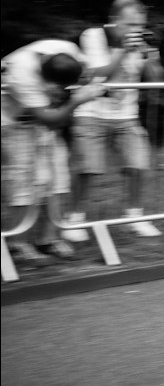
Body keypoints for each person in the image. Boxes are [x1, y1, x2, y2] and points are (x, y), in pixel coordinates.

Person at [63, 0, 164, 242]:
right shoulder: (94, 36)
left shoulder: (141, 41)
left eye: (140, 25)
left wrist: (151, 57)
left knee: (138, 165)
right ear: (113, 21)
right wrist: (121, 49)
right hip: (91, 111)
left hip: (126, 115)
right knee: (87, 169)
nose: (136, 30)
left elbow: (157, 80)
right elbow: (99, 73)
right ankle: (74, 218)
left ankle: (134, 217)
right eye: (130, 24)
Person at [1, 40, 106, 262]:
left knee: (58, 179)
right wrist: (76, 100)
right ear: (46, 79)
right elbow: (51, 120)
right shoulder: (23, 72)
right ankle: (17, 243)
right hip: (13, 123)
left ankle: (49, 239)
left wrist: (75, 89)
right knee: (23, 182)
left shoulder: (65, 48)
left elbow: (87, 74)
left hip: (41, 120)